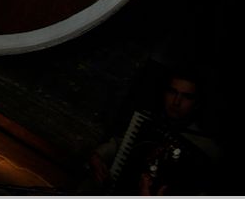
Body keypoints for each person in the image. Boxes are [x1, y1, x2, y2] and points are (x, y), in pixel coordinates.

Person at [84, 66, 223, 195]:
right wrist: (98, 156)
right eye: (172, 92)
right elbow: (123, 143)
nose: (176, 101)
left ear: (196, 104)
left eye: (186, 97)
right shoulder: (149, 121)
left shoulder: (205, 148)